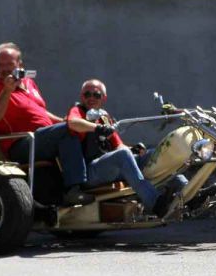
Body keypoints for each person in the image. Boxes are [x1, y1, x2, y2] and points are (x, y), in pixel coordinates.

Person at [0, 43, 93, 205]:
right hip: (21, 143)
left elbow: (40, 111)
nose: (5, 68)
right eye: (1, 65)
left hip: (43, 136)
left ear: (20, 64)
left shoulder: (29, 83)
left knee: (79, 129)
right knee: (66, 131)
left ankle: (91, 183)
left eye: (10, 64)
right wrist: (7, 91)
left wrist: (61, 121)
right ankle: (74, 189)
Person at [65, 79, 180, 218]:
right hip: (88, 171)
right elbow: (72, 123)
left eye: (96, 95)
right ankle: (155, 203)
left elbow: (119, 145)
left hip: (109, 167)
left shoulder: (103, 116)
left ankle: (187, 194)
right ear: (81, 96)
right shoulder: (78, 110)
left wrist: (134, 150)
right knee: (123, 154)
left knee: (155, 154)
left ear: (104, 98)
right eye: (87, 94)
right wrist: (97, 128)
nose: (91, 98)